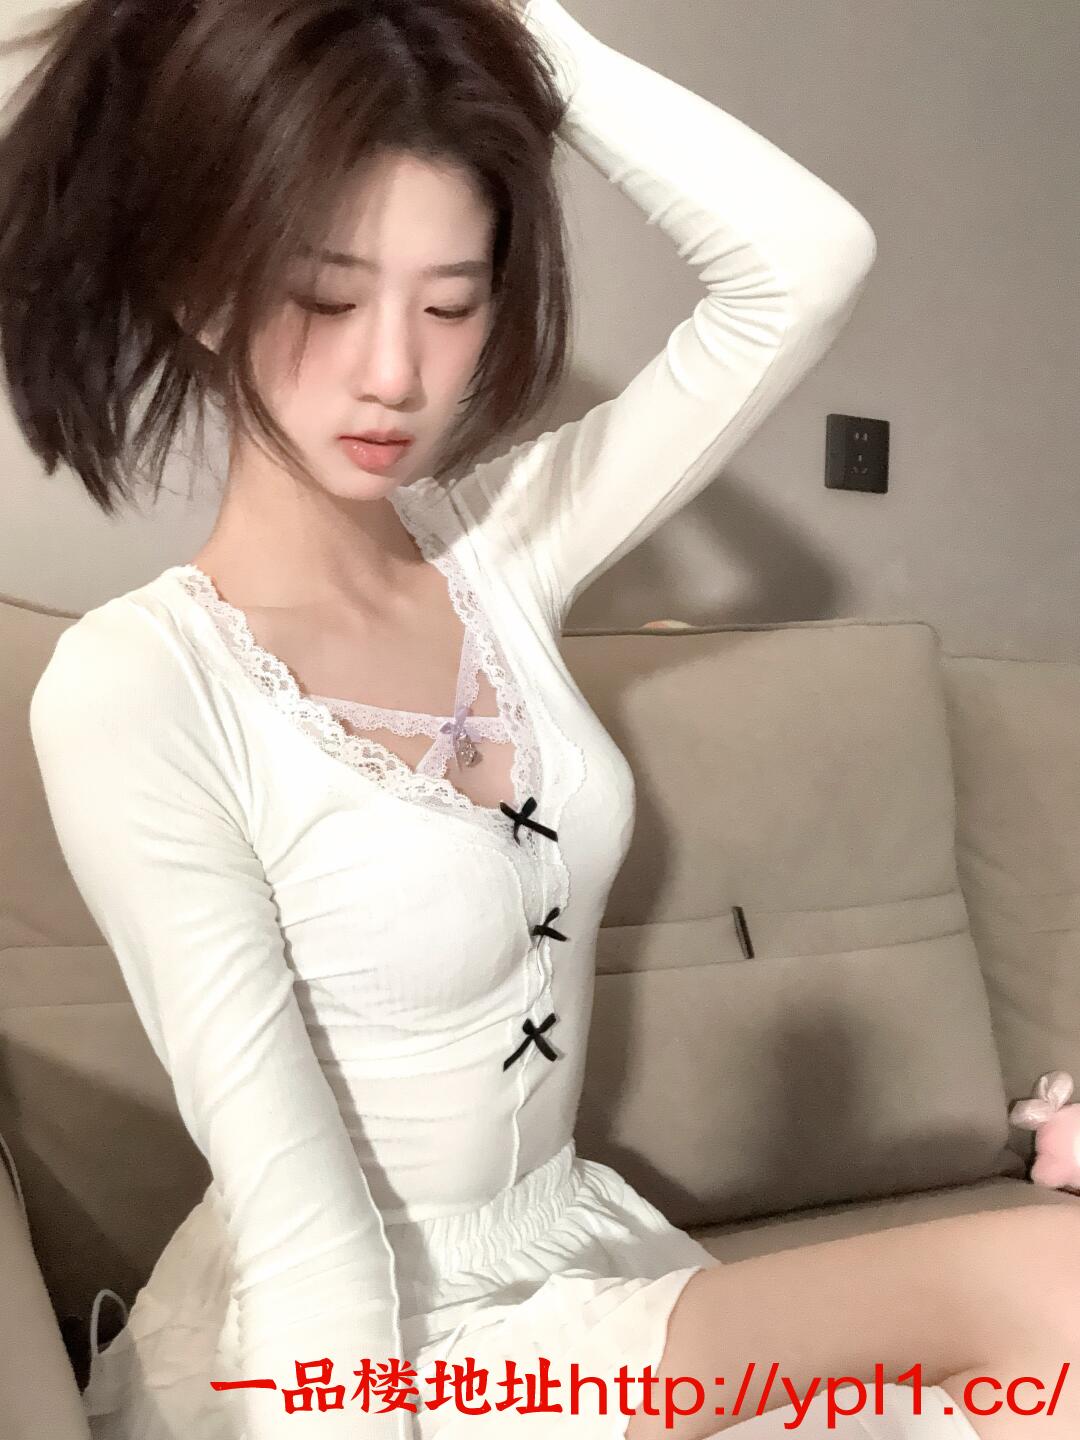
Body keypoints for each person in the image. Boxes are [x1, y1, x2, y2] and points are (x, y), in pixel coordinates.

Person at [6, 0, 1077, 1436]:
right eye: (326, 297)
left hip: (574, 1259)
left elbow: (804, 266)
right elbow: (301, 1221)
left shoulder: (502, 549)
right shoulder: (140, 686)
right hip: (370, 1347)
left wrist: (515, 34)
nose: (395, 372)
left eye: (451, 304)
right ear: (204, 290)